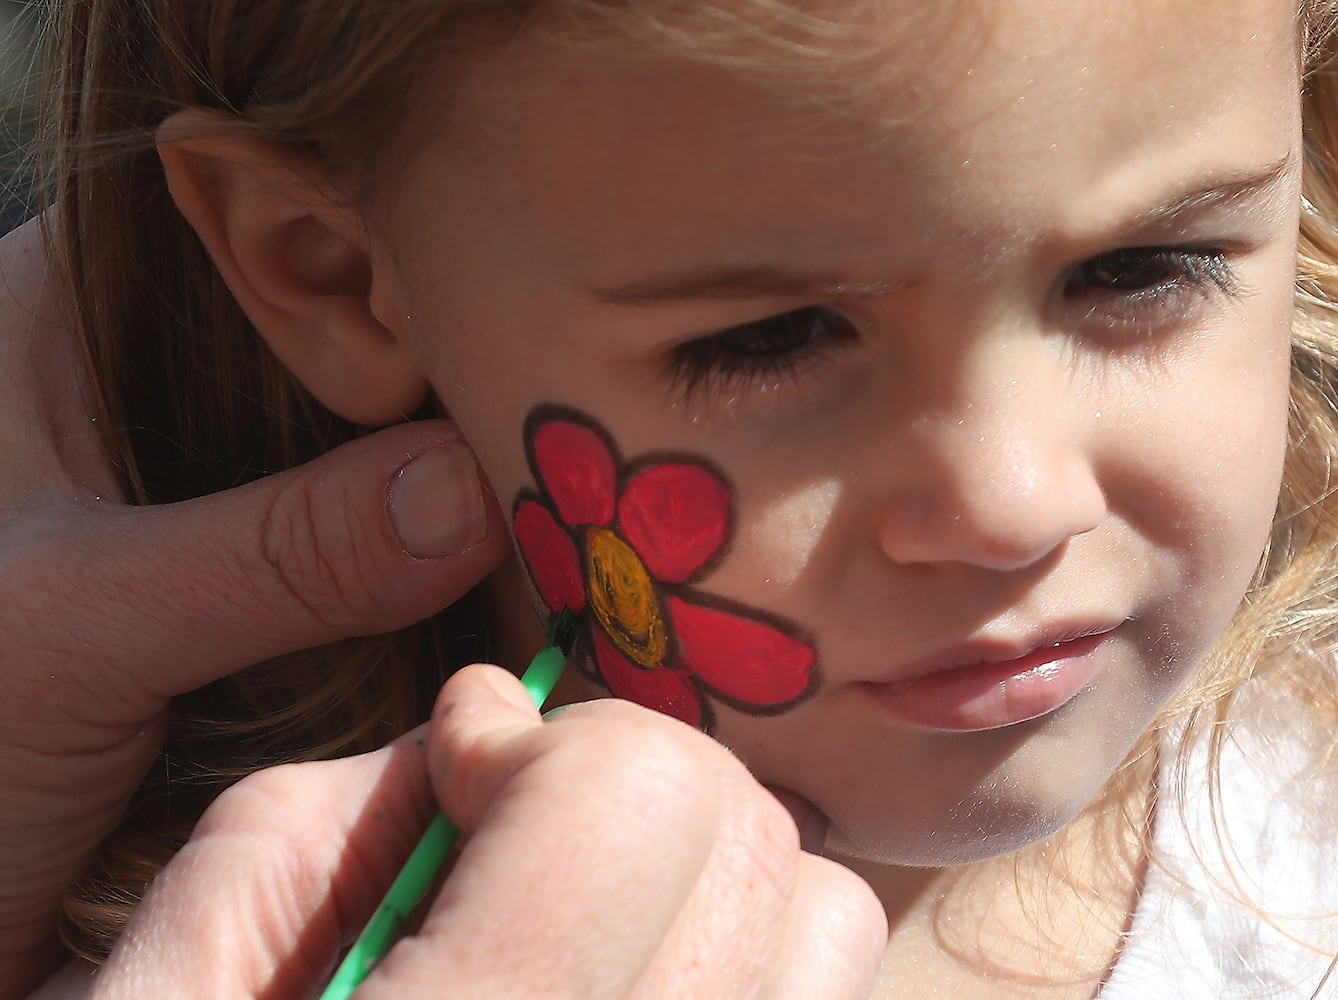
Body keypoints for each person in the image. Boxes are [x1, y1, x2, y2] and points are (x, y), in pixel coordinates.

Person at [11, 0, 1338, 995]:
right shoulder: (220, 948)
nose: (1008, 504)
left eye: (1140, 269)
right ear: (330, 272)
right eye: (770, 338)